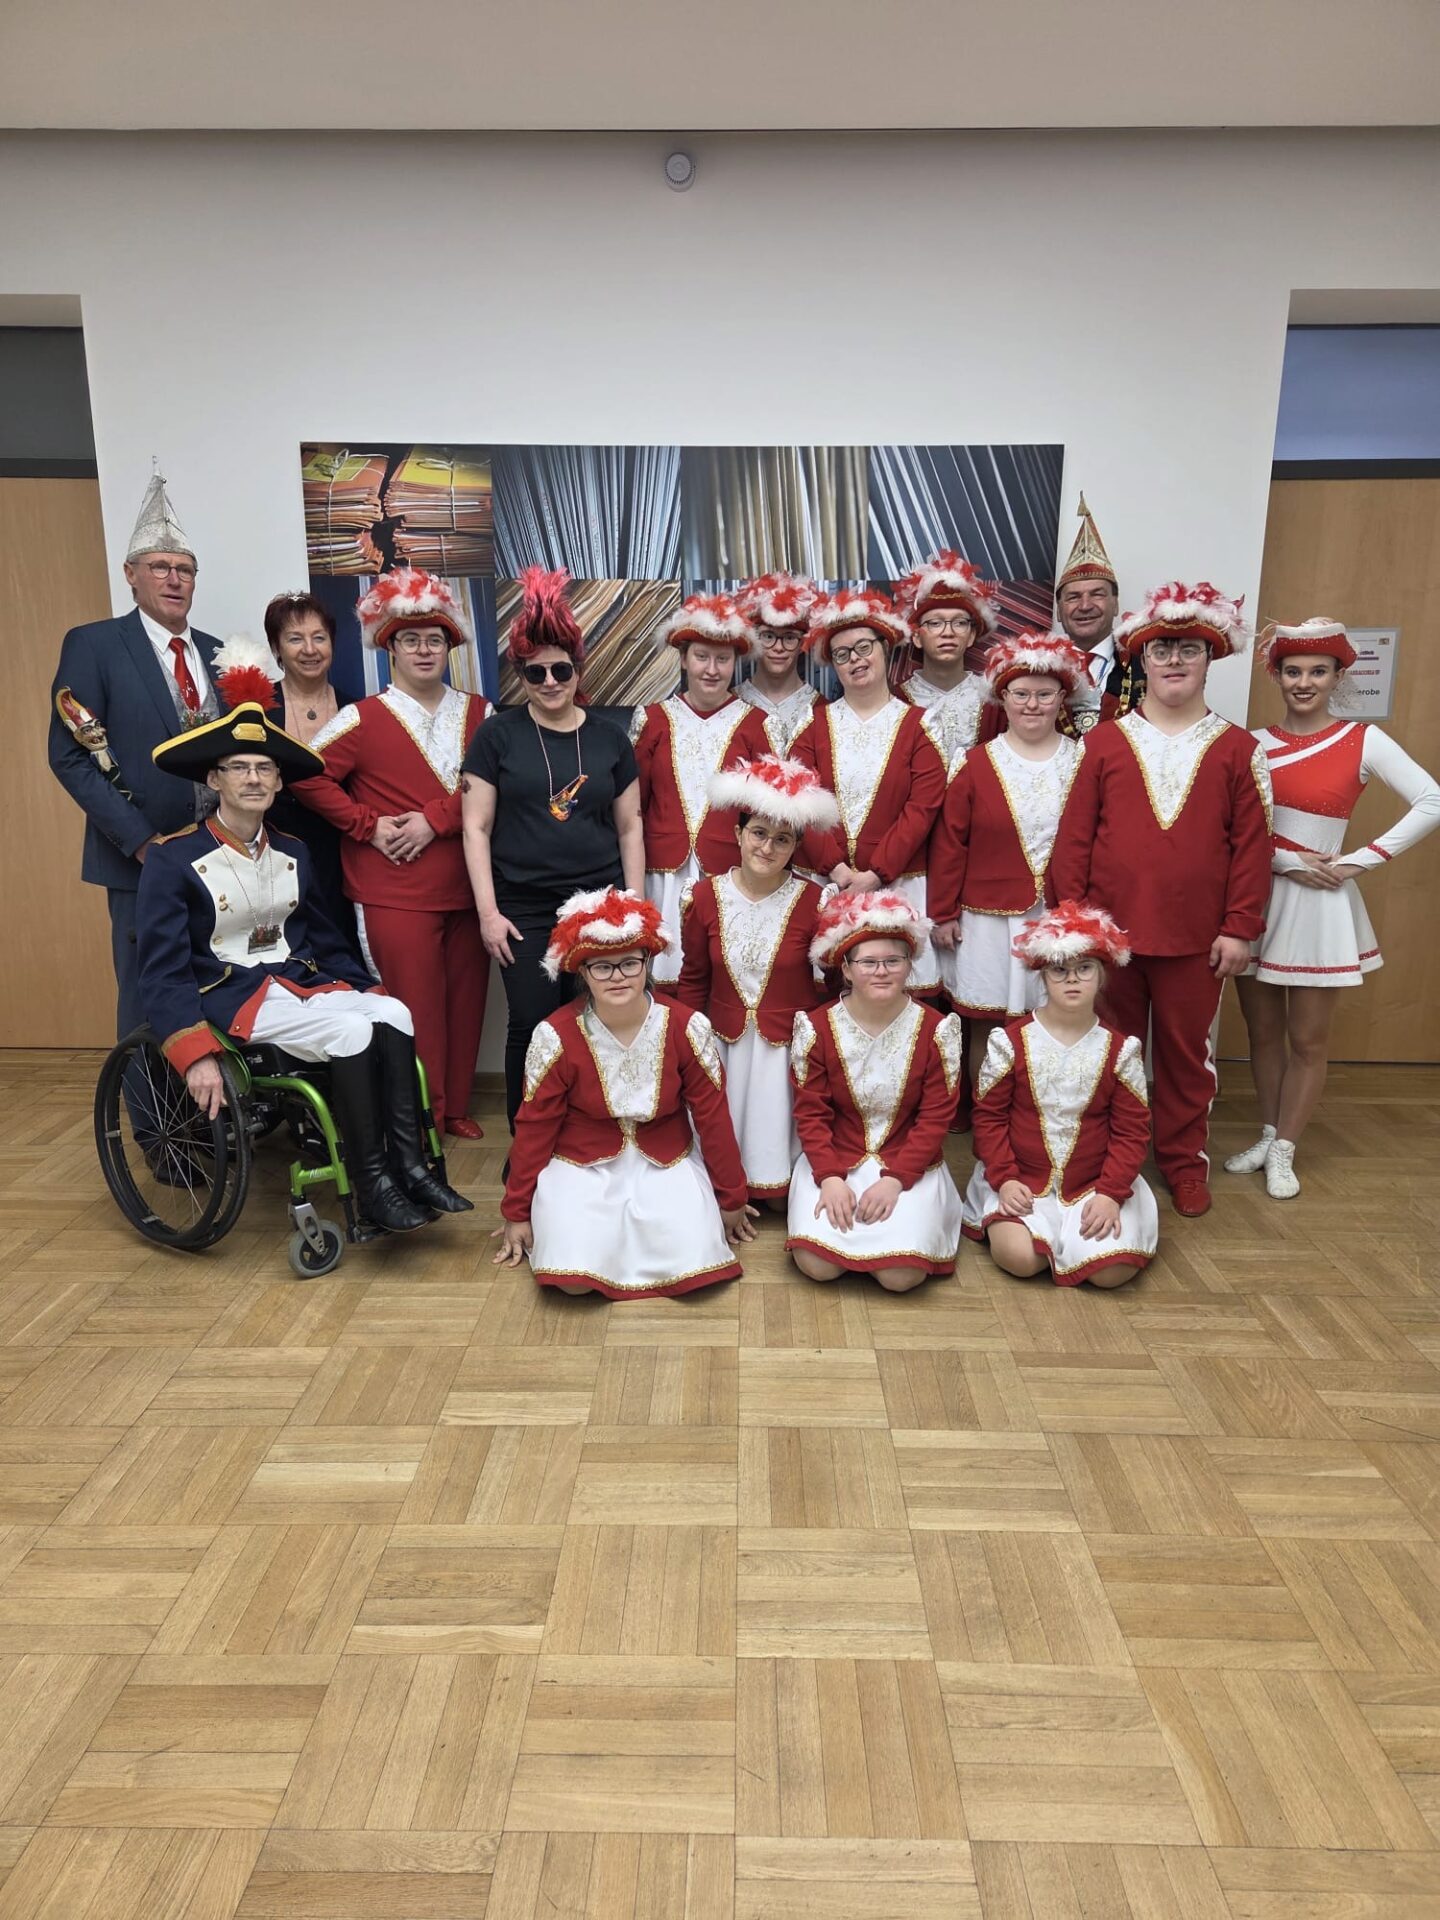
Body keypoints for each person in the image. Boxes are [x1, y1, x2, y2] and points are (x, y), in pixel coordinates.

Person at [137, 700, 470, 1231]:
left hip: (296, 983)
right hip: (229, 998)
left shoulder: (293, 850)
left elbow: (322, 937)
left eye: (264, 768)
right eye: (239, 767)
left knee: (395, 1013)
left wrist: (366, 987)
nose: (253, 778)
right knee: (351, 1030)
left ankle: (410, 1167)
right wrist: (193, 1052)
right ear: (214, 779)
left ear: (277, 781)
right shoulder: (173, 857)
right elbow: (161, 969)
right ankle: (371, 1183)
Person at [1049, 582, 1273, 1217]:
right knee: (1105, 1052)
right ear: (1141, 659)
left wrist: (1240, 927)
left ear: (1210, 658)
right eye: (1162, 649)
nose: (1174, 660)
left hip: (1196, 939)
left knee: (1185, 1058)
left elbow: (1252, 848)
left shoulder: (1239, 749)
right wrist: (1073, 922)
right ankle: (1099, 1157)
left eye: (1189, 649)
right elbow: (1074, 838)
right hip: (1110, 939)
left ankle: (1182, 1161)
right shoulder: (1102, 743)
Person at [1227, 617, 1440, 1198]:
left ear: (1337, 677)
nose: (1304, 682)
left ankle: (1286, 1149)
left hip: (1321, 906)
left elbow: (1431, 799)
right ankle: (1268, 1134)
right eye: (1293, 671)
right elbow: (1228, 828)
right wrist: (1283, 861)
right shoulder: (1249, 744)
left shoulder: (1363, 739)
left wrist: (1358, 861)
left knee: (1307, 1040)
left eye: (1318, 672)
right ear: (1276, 676)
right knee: (1261, 1033)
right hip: (1257, 898)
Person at [292, 568, 492, 1141]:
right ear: (390, 649)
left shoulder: (481, 714)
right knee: (412, 1007)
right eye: (410, 640)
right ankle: (420, 1118)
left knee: (466, 1002)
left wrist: (435, 819)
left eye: (434, 640)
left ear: (450, 647)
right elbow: (305, 776)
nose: (424, 650)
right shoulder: (362, 716)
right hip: (394, 891)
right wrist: (365, 825)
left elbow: (497, 785)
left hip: (470, 887)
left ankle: (453, 1107)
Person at [494, 888, 756, 1297]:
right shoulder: (555, 1035)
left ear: (647, 963)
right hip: (581, 1164)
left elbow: (713, 1119)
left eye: (630, 963)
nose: (618, 976)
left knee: (691, 1263)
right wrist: (517, 1210)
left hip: (666, 1160)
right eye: (602, 967)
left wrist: (731, 1197)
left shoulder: (686, 1026)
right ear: (582, 972)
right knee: (574, 1280)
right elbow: (534, 1129)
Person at [462, 568, 644, 1129]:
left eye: (560, 669)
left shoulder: (610, 737)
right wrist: (488, 914)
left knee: (597, 1018)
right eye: (534, 672)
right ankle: (529, 1143)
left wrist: (633, 904)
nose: (548, 681)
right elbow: (475, 828)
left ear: (577, 670)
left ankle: (590, 1132)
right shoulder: (497, 736)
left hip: (597, 905)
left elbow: (631, 825)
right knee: (533, 1022)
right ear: (521, 675)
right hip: (523, 908)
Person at [48, 466, 221, 1044]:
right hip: (139, 860)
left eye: (184, 569)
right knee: (149, 994)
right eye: (159, 567)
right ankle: (149, 1105)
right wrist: (143, 842)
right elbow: (70, 757)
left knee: (219, 982)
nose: (174, 579)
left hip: (218, 854)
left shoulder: (219, 653)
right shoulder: (94, 644)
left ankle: (213, 1099)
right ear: (130, 574)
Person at [964, 901, 1156, 1288]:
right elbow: (989, 1119)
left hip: (1093, 1183)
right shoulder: (1010, 1042)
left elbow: (1131, 1132)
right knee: (1019, 1258)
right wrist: (1004, 1178)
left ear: (1101, 976)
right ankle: (1040, 1236)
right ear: (1043, 976)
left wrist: (1110, 1193)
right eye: (1059, 970)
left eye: (1084, 969)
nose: (1072, 979)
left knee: (1110, 1273)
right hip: (1021, 1179)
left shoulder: (1120, 1050)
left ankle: (1083, 1237)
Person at [674, 755, 837, 1204]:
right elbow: (693, 979)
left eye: (782, 839)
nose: (767, 847)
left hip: (786, 1050)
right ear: (738, 834)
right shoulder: (703, 897)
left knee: (779, 1182)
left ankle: (779, 1185)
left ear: (796, 846)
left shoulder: (816, 902)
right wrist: (688, 1047)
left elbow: (833, 987)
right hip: (723, 1043)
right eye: (759, 833)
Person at [787, 890, 965, 1291]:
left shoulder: (937, 1030)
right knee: (818, 1265)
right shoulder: (816, 1028)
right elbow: (811, 1114)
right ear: (846, 970)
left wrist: (896, 1180)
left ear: (909, 965)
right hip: (835, 1158)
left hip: (908, 1163)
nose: (881, 971)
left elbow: (935, 1117)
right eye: (868, 962)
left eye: (893, 961)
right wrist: (830, 1178)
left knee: (900, 1276)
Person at [930, 634, 1087, 1079]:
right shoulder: (974, 762)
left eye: (1044, 694)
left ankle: (1039, 1113)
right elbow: (949, 842)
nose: (1032, 705)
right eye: (1020, 694)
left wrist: (1085, 911)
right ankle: (987, 1113)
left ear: (1062, 698)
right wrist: (943, 913)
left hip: (1058, 913)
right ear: (1003, 698)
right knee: (987, 1024)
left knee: (1053, 1025)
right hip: (986, 917)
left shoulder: (1081, 760)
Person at [791, 587, 948, 991]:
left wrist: (876, 873)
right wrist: (838, 870)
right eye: (842, 654)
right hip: (827, 882)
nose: (855, 660)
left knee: (894, 996)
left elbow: (922, 808)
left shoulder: (921, 726)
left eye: (864, 647)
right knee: (827, 998)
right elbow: (800, 801)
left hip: (898, 884)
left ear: (886, 648)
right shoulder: (810, 726)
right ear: (833, 665)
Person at [630, 592, 771, 984]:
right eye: (701, 657)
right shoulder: (653, 720)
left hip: (730, 874)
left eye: (722, 659)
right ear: (683, 659)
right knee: (664, 978)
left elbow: (763, 815)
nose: (712, 669)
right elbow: (633, 808)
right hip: (661, 874)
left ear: (735, 662)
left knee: (723, 976)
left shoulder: (756, 724)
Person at [258, 591, 357, 953]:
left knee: (344, 952)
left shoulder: (356, 710)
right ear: (276, 648)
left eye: (319, 637)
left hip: (342, 858)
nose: (310, 649)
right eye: (295, 639)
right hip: (273, 856)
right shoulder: (257, 710)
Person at [893, 550, 999, 776]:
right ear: (916, 636)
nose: (948, 632)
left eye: (959, 623)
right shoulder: (895, 701)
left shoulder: (994, 701)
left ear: (971, 635)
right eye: (935, 623)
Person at [1054, 495, 1143, 733]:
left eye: (1097, 594)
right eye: (1073, 597)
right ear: (1059, 611)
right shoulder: (1038, 668)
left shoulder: (1146, 665)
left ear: (1115, 604)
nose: (1085, 605)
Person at [735, 572, 822, 755]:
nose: (778, 647)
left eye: (789, 637)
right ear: (753, 638)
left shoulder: (821, 709)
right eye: (768, 636)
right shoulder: (730, 702)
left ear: (803, 643)